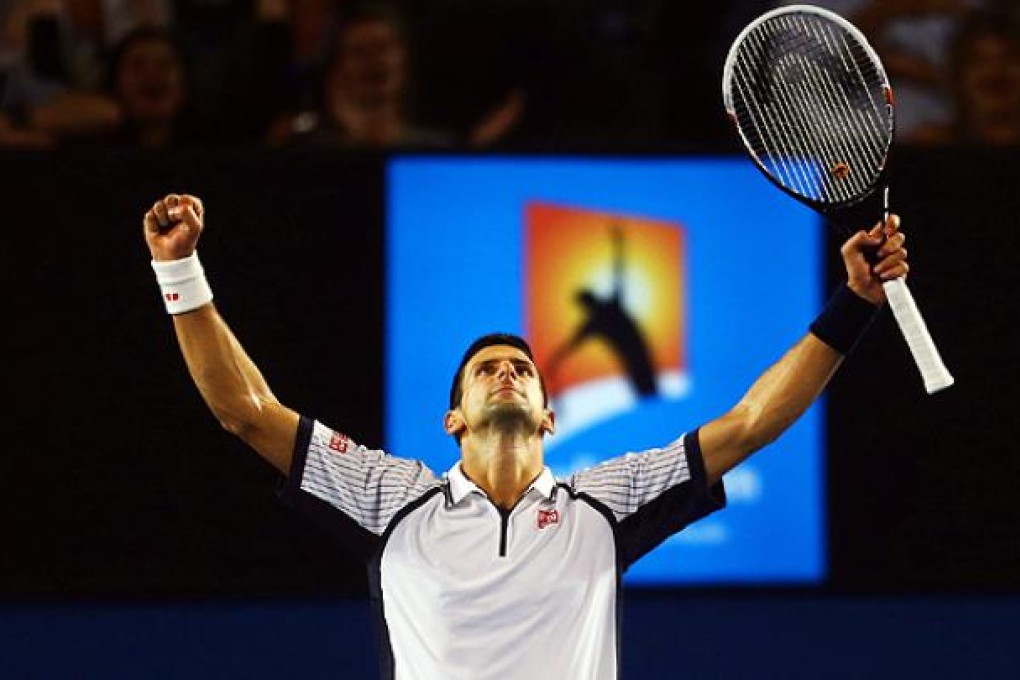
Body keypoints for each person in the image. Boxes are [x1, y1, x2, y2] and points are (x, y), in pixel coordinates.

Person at [142, 191, 909, 679]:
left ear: (549, 414)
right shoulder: (388, 497)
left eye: (522, 368)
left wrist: (853, 304)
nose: (505, 372)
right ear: (453, 419)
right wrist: (179, 272)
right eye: (485, 370)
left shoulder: (603, 501)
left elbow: (750, 424)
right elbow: (245, 410)